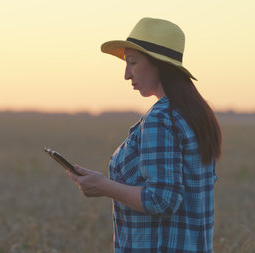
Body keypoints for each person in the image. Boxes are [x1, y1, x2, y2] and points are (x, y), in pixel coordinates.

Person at [66, 17, 222, 253]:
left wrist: (104, 187)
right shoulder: (193, 114)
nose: (127, 74)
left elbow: (162, 200)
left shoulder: (161, 119)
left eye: (133, 62)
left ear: (159, 64)